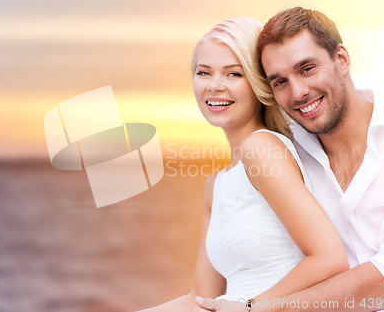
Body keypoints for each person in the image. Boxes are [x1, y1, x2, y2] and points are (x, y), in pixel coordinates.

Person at [197, 7, 384, 312]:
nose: (298, 92)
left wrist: (259, 308)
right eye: (280, 82)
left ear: (341, 59)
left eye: (307, 68)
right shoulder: (290, 153)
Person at [137, 17, 349, 312]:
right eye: (203, 72)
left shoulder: (260, 149)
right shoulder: (216, 185)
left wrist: (250, 306)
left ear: (258, 82)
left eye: (233, 74)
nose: (214, 86)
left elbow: (329, 258)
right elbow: (199, 297)